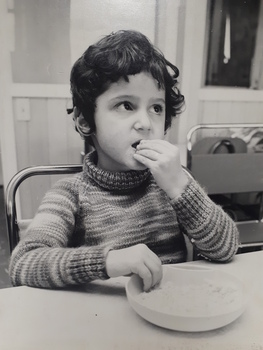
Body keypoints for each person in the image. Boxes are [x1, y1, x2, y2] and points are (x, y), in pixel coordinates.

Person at [9, 30, 239, 291]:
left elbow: (226, 248)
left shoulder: (173, 180)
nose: (145, 124)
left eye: (156, 108)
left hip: (169, 313)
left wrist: (179, 187)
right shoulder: (70, 193)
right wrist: (106, 260)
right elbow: (24, 263)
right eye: (126, 105)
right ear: (85, 121)